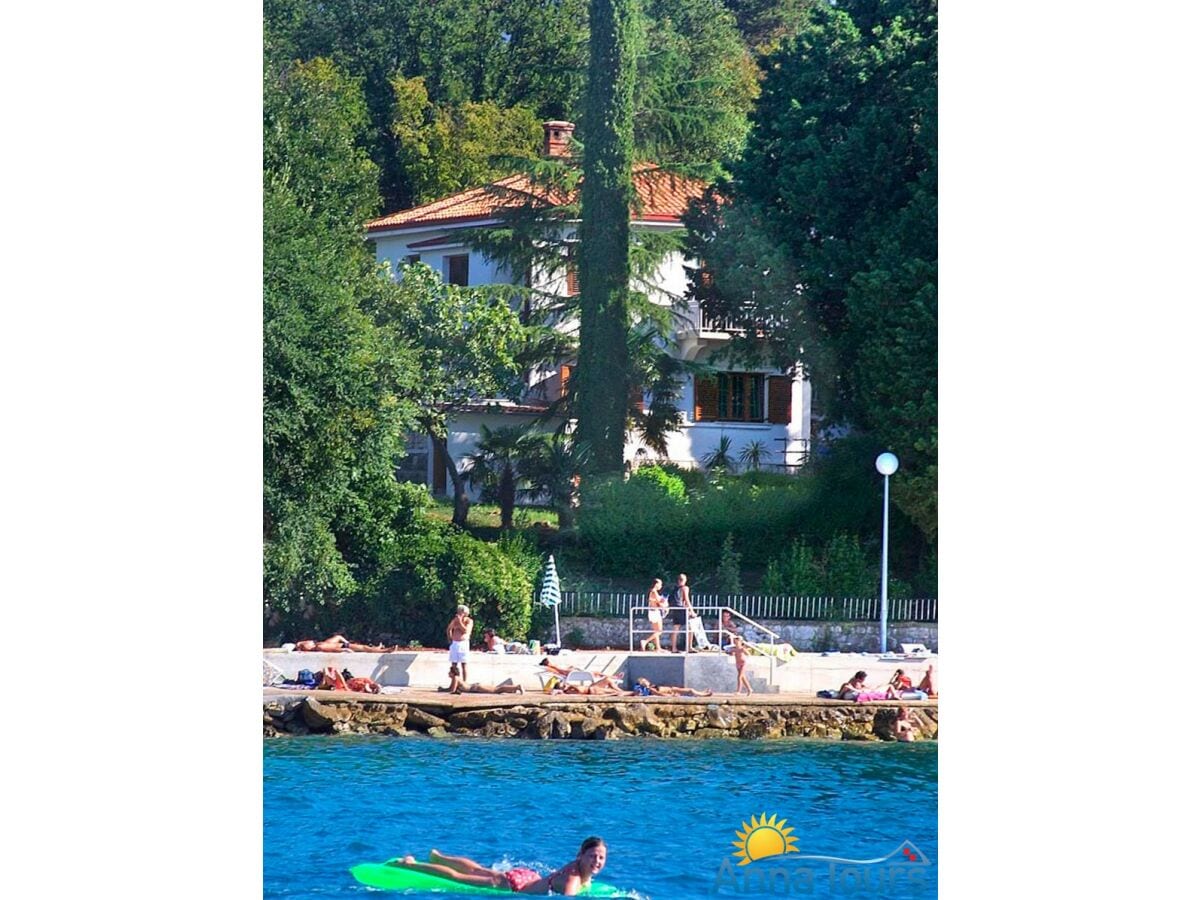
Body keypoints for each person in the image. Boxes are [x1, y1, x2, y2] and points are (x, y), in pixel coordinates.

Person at [387, 837, 607, 895]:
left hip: (529, 876)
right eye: (593, 856)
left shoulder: (577, 868)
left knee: (479, 869)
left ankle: (438, 857)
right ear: (581, 855)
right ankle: (410, 865)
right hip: (514, 885)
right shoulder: (574, 878)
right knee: (458, 878)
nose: (597, 861)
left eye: (601, 858)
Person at [443, 663, 525, 694]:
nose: (448, 673)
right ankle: (513, 688)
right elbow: (450, 688)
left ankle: (517, 687)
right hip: (476, 686)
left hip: (476, 688)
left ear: (453, 673)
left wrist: (443, 691)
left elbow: (452, 690)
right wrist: (442, 689)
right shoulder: (456, 678)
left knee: (497, 690)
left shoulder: (455, 678)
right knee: (497, 689)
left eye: (449, 672)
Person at [666, 573, 694, 653]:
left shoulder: (675, 588)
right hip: (682, 610)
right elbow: (686, 600)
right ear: (685, 580)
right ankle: (689, 647)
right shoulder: (685, 588)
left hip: (675, 610)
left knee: (676, 629)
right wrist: (692, 611)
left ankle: (674, 648)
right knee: (690, 628)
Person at [447, 605, 474, 683]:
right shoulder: (455, 620)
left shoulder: (469, 621)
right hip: (455, 643)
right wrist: (450, 639)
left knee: (464, 664)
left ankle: (464, 683)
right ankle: (454, 682)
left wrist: (460, 622)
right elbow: (449, 629)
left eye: (461, 611)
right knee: (454, 665)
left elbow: (465, 630)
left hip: (463, 644)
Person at [640, 578, 667, 651]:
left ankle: (658, 648)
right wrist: (665, 605)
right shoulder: (654, 592)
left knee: (656, 631)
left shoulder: (652, 592)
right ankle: (645, 641)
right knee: (659, 631)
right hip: (655, 612)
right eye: (660, 584)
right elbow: (659, 602)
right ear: (656, 584)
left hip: (652, 612)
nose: (661, 586)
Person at [294, 635, 399, 653]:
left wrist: (347, 644)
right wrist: (345, 649)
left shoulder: (320, 644)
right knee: (365, 648)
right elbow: (333, 650)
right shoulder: (319, 647)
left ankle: (379, 648)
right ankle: (385, 650)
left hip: (345, 646)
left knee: (365, 648)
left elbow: (338, 637)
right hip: (344, 647)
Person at [632, 677, 713, 698]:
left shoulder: (650, 687)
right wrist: (671, 696)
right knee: (690, 691)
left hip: (671, 690)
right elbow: (660, 694)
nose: (647, 681)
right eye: (645, 681)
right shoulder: (650, 689)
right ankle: (703, 694)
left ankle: (702, 693)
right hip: (670, 691)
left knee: (689, 691)